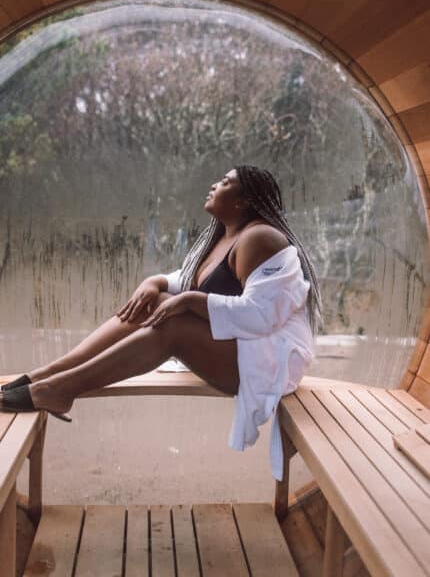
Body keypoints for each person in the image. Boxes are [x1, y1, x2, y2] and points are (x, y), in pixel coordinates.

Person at [0, 165, 323, 477]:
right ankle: (48, 374)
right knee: (156, 301)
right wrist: (154, 282)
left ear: (245, 200)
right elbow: (189, 282)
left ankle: (60, 389)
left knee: (175, 324)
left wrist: (188, 300)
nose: (214, 185)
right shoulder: (224, 237)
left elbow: (261, 316)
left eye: (224, 182)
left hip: (269, 364)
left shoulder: (261, 239)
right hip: (241, 352)